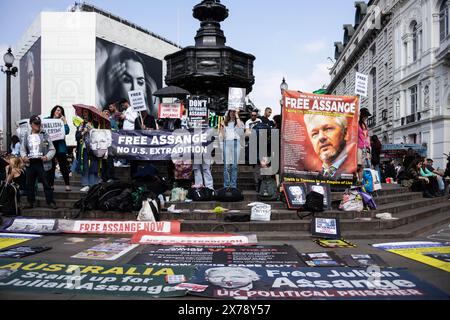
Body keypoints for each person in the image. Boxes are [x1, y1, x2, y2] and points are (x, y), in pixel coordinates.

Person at [98, 49, 158, 116]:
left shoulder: (148, 117)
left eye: (140, 82)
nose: (134, 88)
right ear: (116, 84)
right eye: (127, 80)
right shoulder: (111, 115)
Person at [304, 113, 357, 179]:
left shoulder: (353, 168)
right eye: (315, 134)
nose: (321, 137)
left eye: (328, 129)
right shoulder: (313, 174)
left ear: (345, 133)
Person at [20, 115, 57, 209]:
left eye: (39, 123)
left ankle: (50, 202)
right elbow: (22, 149)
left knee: (47, 183)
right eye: (35, 124)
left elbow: (52, 149)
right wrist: (24, 157)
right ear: (31, 124)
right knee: (29, 184)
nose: (38, 125)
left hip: (42, 163)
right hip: (30, 163)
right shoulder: (26, 135)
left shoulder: (45, 134)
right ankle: (30, 202)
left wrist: (47, 157)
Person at [46, 106, 71, 191]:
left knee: (63, 166)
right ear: (54, 111)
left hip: (60, 147)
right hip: (50, 147)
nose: (59, 112)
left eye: (61, 111)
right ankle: (51, 185)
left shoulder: (62, 121)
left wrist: (65, 122)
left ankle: (67, 185)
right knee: (51, 167)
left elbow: (67, 131)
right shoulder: (47, 119)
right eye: (57, 110)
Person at [76, 110, 99, 192]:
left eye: (86, 113)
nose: (85, 115)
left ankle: (94, 184)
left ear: (90, 114)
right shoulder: (81, 124)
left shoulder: (96, 123)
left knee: (93, 166)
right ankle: (85, 184)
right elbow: (77, 137)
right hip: (84, 148)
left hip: (94, 148)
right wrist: (83, 131)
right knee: (85, 166)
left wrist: (92, 129)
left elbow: (99, 134)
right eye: (83, 113)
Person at [220, 109, 244, 189]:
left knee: (234, 166)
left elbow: (241, 132)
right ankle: (226, 185)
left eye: (234, 112)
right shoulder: (225, 122)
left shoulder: (239, 122)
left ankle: (233, 185)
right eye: (231, 111)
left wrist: (237, 116)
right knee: (226, 166)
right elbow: (222, 136)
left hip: (236, 143)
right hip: (227, 143)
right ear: (229, 113)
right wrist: (222, 128)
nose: (233, 113)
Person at [356, 108, 372, 183]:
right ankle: (356, 179)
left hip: (364, 147)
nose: (367, 118)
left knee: (362, 166)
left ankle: (360, 180)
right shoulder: (357, 124)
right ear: (362, 115)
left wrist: (368, 147)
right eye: (366, 116)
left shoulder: (364, 125)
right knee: (358, 165)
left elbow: (367, 136)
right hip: (358, 147)